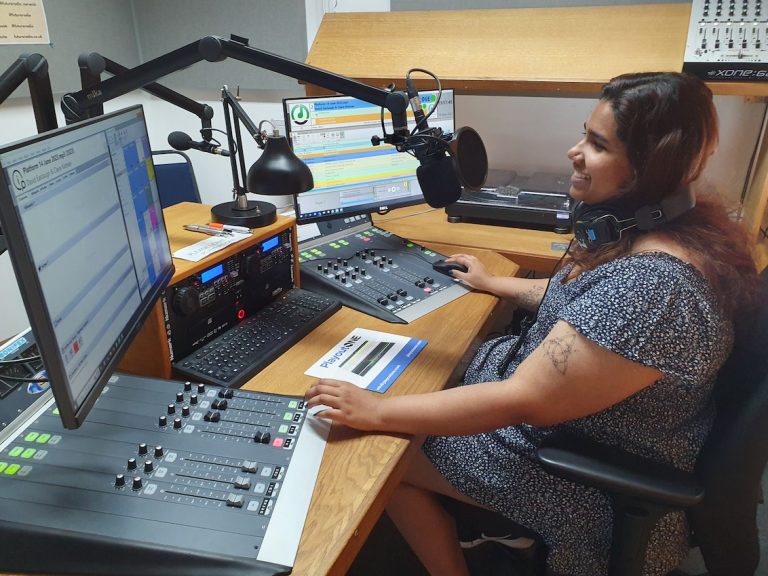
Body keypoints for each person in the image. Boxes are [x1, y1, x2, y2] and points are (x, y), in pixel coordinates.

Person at [305, 72, 759, 576]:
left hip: (582, 485)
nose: (574, 151)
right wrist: (497, 285)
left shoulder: (654, 288)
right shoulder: (667, 236)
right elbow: (589, 312)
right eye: (585, 133)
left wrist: (377, 412)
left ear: (646, 170)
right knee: (416, 388)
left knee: (377, 454)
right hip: (592, 434)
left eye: (597, 144)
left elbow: (525, 399)